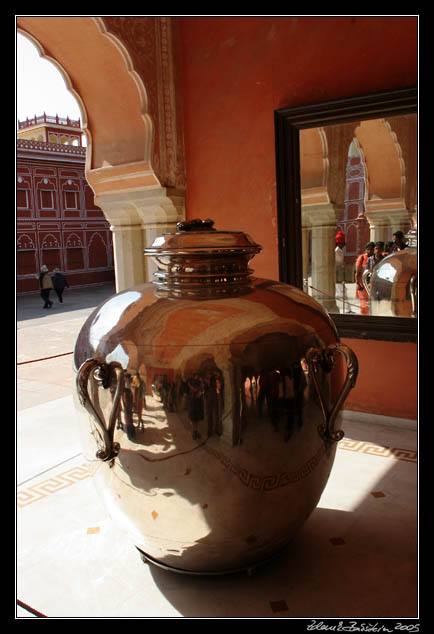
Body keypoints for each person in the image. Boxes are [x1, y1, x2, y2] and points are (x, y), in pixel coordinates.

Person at [355, 242, 375, 315]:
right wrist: (357, 283)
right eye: (368, 249)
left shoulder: (375, 258)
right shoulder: (362, 258)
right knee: (364, 304)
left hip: (372, 284)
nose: (369, 251)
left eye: (371, 250)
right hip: (363, 285)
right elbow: (357, 272)